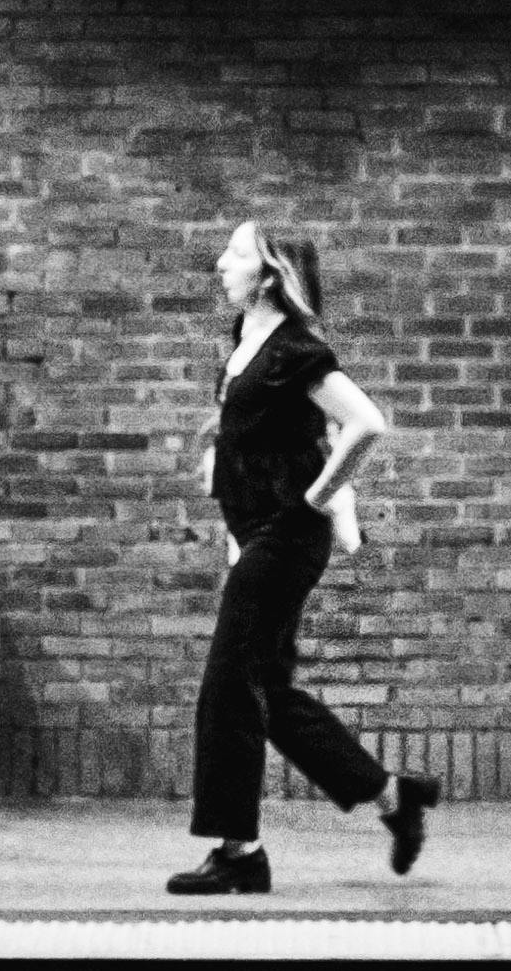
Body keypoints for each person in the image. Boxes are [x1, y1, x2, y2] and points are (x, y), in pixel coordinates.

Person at [168, 216, 439, 895]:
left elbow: (366, 422)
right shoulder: (245, 339)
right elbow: (256, 429)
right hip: (255, 532)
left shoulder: (295, 349)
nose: (220, 265)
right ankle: (394, 798)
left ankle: (241, 852)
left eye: (234, 255)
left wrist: (317, 497)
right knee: (272, 694)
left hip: (284, 538)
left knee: (228, 685)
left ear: (268, 275)